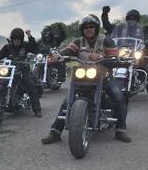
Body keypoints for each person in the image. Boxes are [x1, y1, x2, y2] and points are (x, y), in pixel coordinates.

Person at [41, 14, 131, 144]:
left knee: (118, 96)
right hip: (83, 78)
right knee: (67, 102)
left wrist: (101, 56)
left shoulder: (106, 40)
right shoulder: (78, 42)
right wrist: (58, 55)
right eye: (86, 27)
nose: (88, 29)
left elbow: (114, 55)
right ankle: (55, 132)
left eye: (91, 27)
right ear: (82, 29)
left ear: (96, 28)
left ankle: (121, 130)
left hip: (104, 77)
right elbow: (68, 51)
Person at [101, 6, 148, 100]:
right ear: (127, 18)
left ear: (137, 20)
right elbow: (107, 25)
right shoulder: (119, 28)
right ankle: (103, 92)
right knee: (106, 69)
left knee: (145, 70)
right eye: (130, 18)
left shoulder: (140, 30)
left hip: (134, 53)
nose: (132, 20)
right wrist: (105, 14)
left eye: (134, 18)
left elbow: (145, 39)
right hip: (121, 52)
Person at [0, 27, 42, 116]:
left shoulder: (25, 46)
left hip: (23, 70)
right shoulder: (7, 47)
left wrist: (30, 36)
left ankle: (37, 109)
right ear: (12, 39)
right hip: (10, 70)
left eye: (18, 40)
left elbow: (35, 49)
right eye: (15, 40)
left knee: (30, 84)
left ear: (21, 40)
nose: (16, 41)